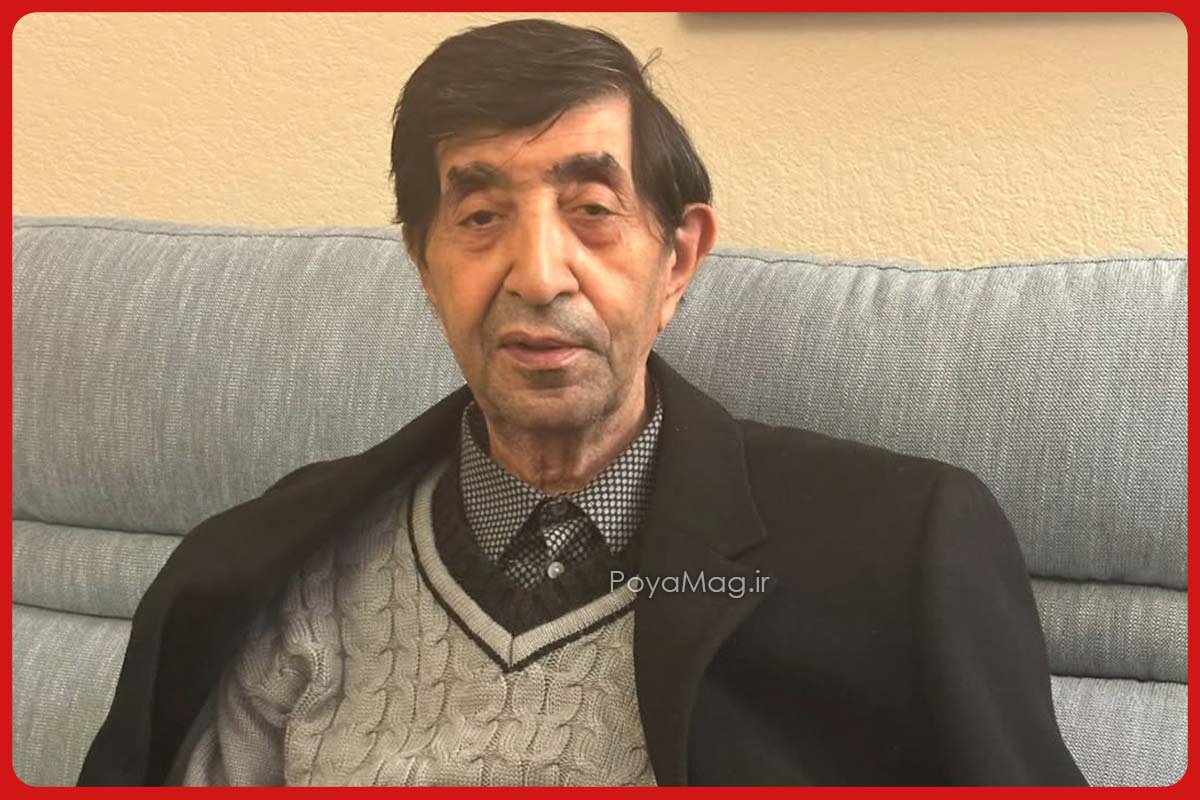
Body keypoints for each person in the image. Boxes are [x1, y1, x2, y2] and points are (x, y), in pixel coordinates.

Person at [77, 18, 1086, 787]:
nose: (537, 273)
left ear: (677, 258)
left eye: (592, 212)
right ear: (425, 265)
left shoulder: (904, 549)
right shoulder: (294, 572)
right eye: (481, 217)